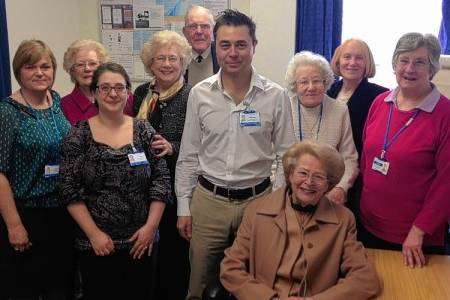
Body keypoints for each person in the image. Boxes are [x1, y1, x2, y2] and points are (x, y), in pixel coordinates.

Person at [176, 9, 295, 299]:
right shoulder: (200, 94)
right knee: (200, 284)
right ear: (215, 46)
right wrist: (184, 206)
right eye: (225, 45)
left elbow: (286, 156)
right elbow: (189, 154)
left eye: (241, 44)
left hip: (258, 201)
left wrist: (275, 203)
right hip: (209, 202)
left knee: (256, 281)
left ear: (254, 46)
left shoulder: (275, 95)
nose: (233, 52)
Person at [59, 62, 171, 299]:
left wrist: (151, 228)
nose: (113, 94)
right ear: (95, 92)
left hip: (142, 242)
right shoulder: (79, 135)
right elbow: (68, 190)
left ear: (128, 92)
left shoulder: (143, 130)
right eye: (105, 88)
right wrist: (94, 235)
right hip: (98, 245)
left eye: (119, 88)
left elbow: (161, 181)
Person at [220, 141, 380, 300]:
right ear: (290, 175)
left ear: (328, 185)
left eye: (318, 177)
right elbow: (230, 268)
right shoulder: (256, 211)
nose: (309, 182)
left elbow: (366, 280)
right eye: (303, 173)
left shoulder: (343, 220)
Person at [360, 32, 450, 268]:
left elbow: (446, 183)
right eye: (404, 60)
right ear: (394, 64)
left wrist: (419, 231)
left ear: (431, 69)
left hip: (415, 238)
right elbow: (366, 160)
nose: (409, 68)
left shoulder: (445, 115)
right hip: (369, 224)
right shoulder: (380, 102)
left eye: (419, 62)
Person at [0, 39, 74, 299]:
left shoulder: (55, 101)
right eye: (31, 67)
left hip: (62, 212)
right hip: (27, 214)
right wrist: (14, 225)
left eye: (46, 66)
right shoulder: (8, 112)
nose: (40, 73)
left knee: (60, 287)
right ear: (18, 71)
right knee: (26, 288)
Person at [134, 30, 192, 299]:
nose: (167, 64)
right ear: (150, 63)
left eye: (173, 58)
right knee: (143, 252)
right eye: (160, 58)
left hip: (176, 186)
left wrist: (173, 147)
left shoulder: (193, 95)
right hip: (142, 186)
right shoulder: (140, 92)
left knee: (173, 255)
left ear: (182, 62)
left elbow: (200, 143)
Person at [285, 51, 358, 205]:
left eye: (317, 81)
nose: (311, 87)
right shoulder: (283, 107)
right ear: (294, 85)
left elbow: (349, 158)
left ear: (325, 83)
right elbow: (274, 155)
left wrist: (340, 188)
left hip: (327, 192)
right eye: (304, 82)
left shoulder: (340, 110)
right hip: (288, 190)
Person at [328, 38, 388, 157]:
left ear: (367, 63)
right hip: (327, 163)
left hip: (359, 164)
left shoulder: (381, 96)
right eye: (347, 57)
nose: (352, 63)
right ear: (338, 61)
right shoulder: (327, 91)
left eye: (359, 58)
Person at [61, 39, 134, 125]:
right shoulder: (63, 106)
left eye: (92, 63)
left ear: (102, 67)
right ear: (72, 70)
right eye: (80, 64)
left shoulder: (125, 97)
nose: (87, 69)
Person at [183, 5, 219, 86]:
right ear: (185, 32)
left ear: (213, 31)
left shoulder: (224, 56)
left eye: (205, 26)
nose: (199, 32)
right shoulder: (178, 57)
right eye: (193, 26)